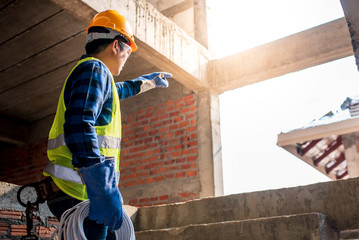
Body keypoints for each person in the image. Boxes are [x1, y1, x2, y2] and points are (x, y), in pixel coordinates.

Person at [42, 10, 171, 239]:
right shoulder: (95, 70)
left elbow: (115, 91)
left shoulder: (92, 73)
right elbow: (79, 124)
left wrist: (145, 83)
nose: (126, 57)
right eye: (128, 50)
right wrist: (101, 188)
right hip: (83, 191)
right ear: (115, 46)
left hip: (78, 190)